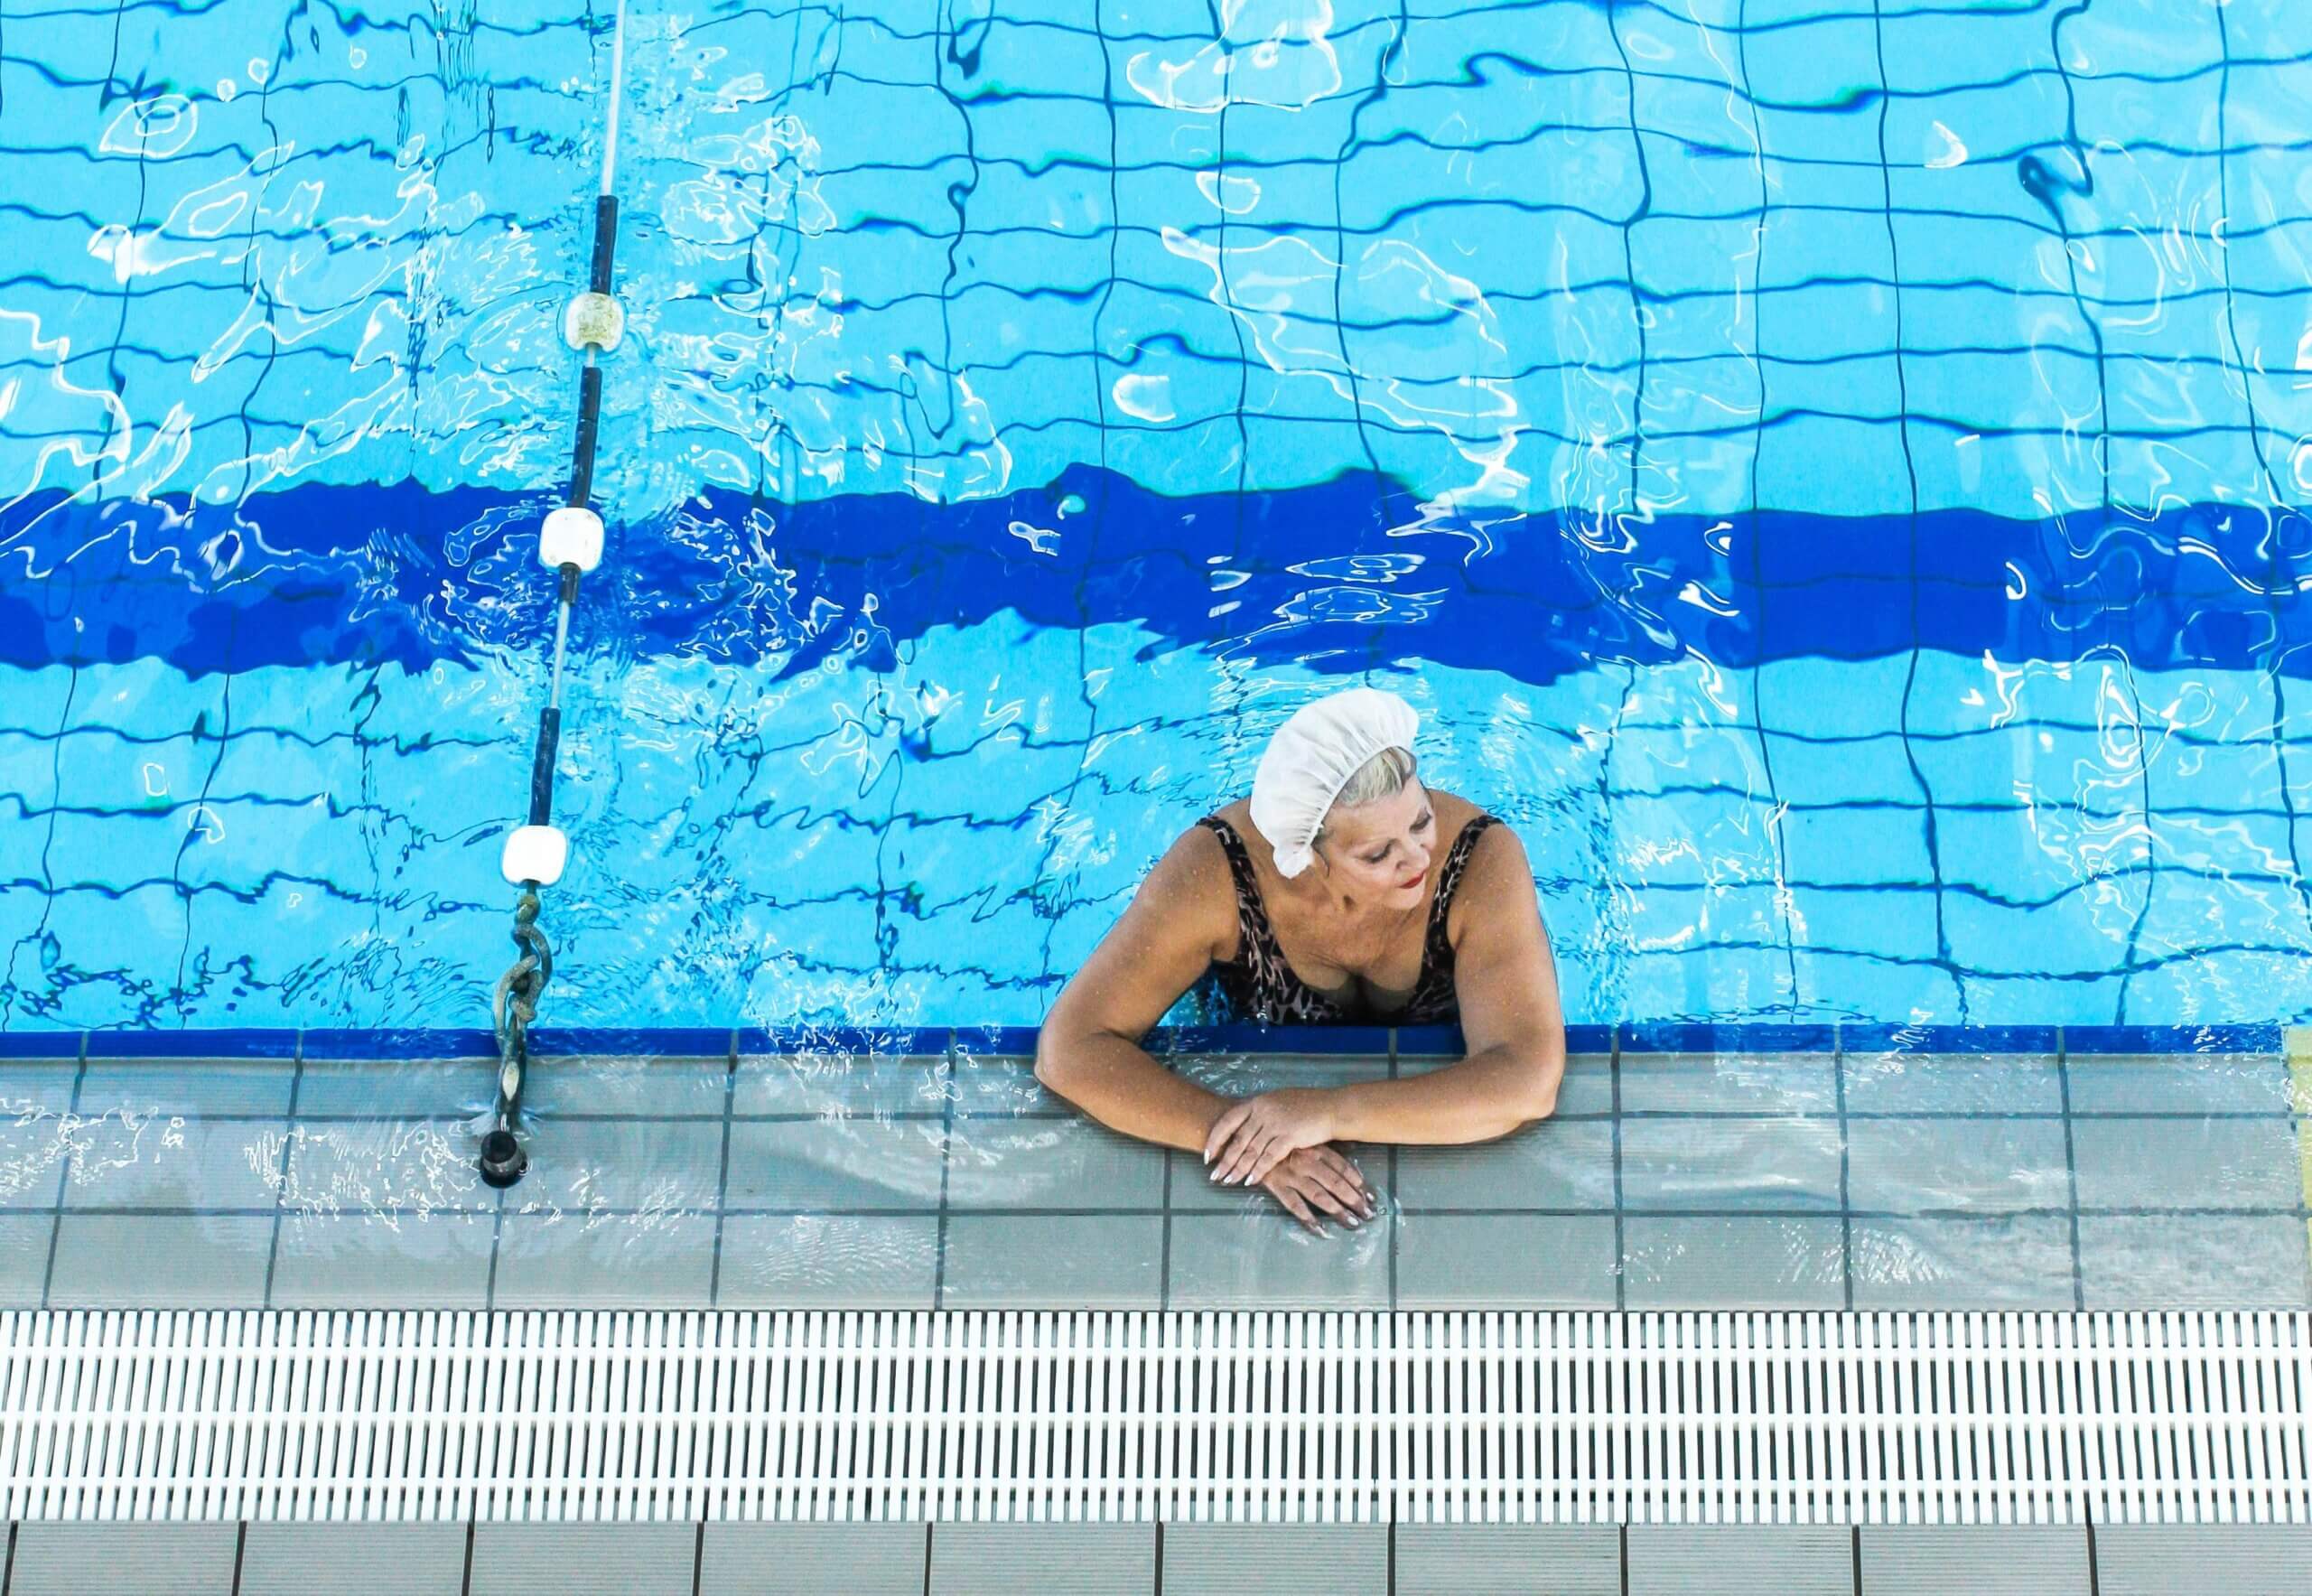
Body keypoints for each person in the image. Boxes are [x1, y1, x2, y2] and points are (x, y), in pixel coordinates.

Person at [1035, 686, 1566, 1235]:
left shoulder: (1478, 859)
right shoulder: (1215, 877)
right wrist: (1245, 1136)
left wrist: (1326, 1111)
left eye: (1420, 820)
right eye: (1378, 853)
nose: (1419, 858)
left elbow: (1526, 1078)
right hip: (1246, 1032)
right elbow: (1070, 1049)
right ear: (1306, 857)